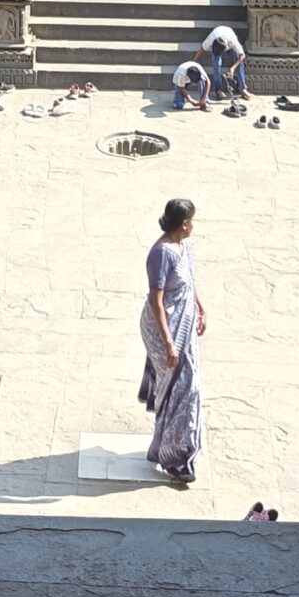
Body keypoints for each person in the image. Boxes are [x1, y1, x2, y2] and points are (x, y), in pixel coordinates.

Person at [139, 198, 206, 486]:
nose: (193, 225)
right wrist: (168, 343)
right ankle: (174, 457)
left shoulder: (183, 246)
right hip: (165, 330)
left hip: (185, 326)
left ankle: (179, 450)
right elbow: (156, 299)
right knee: (182, 390)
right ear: (182, 224)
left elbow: (189, 282)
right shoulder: (161, 253)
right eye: (191, 221)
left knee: (186, 389)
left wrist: (201, 308)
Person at [200, 24, 246, 99]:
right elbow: (202, 48)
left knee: (239, 63)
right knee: (216, 65)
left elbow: (243, 55)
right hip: (218, 34)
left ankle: (243, 89)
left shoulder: (233, 41)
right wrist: (193, 61)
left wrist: (233, 68)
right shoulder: (211, 38)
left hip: (229, 42)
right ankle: (218, 90)